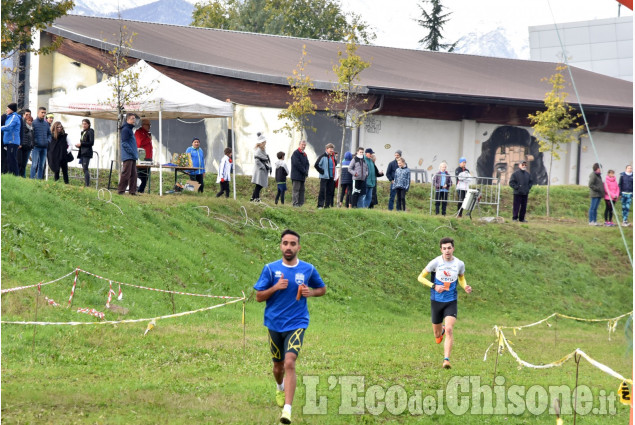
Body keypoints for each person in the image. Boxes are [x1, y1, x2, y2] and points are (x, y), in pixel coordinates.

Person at [254, 229, 326, 425]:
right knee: (278, 367)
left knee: (289, 362)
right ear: (280, 246)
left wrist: (311, 293)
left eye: (292, 244)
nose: (288, 247)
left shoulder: (308, 269)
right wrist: (275, 287)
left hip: (297, 323)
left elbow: (322, 289)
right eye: (285, 243)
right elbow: (258, 297)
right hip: (274, 323)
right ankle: (279, 387)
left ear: (299, 247)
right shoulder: (270, 269)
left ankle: (287, 410)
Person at [417, 237, 472, 369]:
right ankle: (439, 331)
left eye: (449, 248)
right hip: (436, 301)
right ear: (441, 250)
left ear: (453, 248)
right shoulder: (436, 262)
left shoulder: (459, 264)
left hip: (451, 302)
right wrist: (434, 286)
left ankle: (446, 360)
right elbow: (420, 277)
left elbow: (461, 279)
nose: (447, 251)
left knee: (449, 329)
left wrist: (465, 286)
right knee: (437, 335)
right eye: (444, 248)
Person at [117, 113, 139, 195]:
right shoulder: (126, 129)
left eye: (134, 118)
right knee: (126, 173)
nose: (134, 120)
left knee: (134, 174)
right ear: (128, 120)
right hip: (128, 155)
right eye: (132, 118)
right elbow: (124, 143)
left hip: (132, 156)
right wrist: (132, 152)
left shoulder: (130, 129)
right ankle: (121, 190)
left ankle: (132, 191)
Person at [30, 107, 51, 180]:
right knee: (34, 164)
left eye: (44, 113)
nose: (44, 114)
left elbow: (49, 134)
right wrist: (34, 142)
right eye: (42, 112)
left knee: (41, 165)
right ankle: (32, 179)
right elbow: (31, 134)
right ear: (38, 113)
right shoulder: (33, 123)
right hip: (36, 147)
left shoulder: (46, 124)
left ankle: (39, 180)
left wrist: (48, 141)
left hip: (44, 147)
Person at [1, 102, 21, 176]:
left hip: (12, 141)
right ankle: (10, 175)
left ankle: (15, 175)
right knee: (9, 159)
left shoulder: (14, 117)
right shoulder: (9, 117)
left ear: (11, 109)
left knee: (12, 159)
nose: (6, 110)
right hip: (8, 142)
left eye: (7, 108)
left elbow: (8, 127)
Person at [315, 143, 337, 208]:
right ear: (327, 149)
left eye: (332, 149)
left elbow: (335, 164)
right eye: (330, 149)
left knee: (329, 192)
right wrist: (322, 172)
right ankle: (320, 205)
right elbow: (316, 165)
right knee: (322, 191)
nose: (332, 150)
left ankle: (327, 205)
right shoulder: (322, 156)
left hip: (331, 177)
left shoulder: (333, 157)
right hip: (324, 177)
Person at [251, 133, 271, 202]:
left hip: (262, 170)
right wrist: (263, 167)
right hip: (259, 170)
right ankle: (256, 198)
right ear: (262, 142)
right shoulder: (258, 150)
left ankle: (253, 198)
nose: (265, 143)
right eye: (264, 142)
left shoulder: (262, 149)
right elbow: (257, 160)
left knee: (259, 184)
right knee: (259, 184)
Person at [135, 119, 153, 193]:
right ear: (143, 125)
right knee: (140, 175)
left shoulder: (147, 133)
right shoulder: (138, 132)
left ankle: (141, 191)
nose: (149, 126)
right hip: (142, 157)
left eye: (150, 125)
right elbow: (140, 143)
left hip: (148, 157)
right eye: (148, 125)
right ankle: (137, 190)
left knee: (146, 176)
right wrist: (148, 139)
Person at [75, 118, 94, 187]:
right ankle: (86, 183)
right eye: (83, 124)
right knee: (84, 168)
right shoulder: (83, 132)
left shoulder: (90, 131)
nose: (84, 125)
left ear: (88, 124)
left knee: (85, 168)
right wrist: (79, 146)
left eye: (85, 124)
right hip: (82, 152)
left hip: (87, 152)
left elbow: (91, 143)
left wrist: (82, 144)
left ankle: (87, 185)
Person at [290, 140, 309, 207]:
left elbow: (307, 163)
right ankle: (295, 203)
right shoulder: (296, 153)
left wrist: (306, 171)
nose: (303, 146)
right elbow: (297, 164)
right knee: (296, 190)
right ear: (299, 145)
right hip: (296, 175)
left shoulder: (305, 154)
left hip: (302, 176)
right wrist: (304, 171)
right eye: (302, 145)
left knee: (302, 190)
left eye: (304, 145)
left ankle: (301, 203)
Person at [18, 112, 34, 178]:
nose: (29, 122)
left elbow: (32, 138)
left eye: (30, 121)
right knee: (20, 162)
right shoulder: (22, 127)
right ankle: (18, 176)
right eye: (28, 120)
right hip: (21, 147)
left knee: (24, 164)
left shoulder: (32, 129)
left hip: (28, 148)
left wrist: (32, 145)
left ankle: (23, 176)